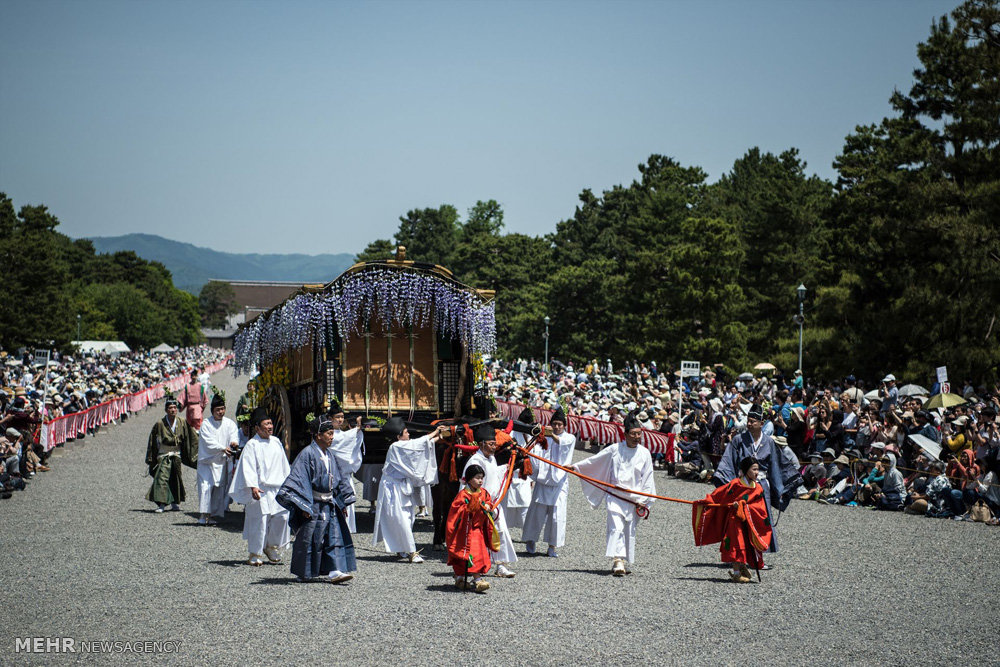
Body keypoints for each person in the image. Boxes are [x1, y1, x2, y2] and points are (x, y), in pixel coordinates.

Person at [572, 411, 655, 576]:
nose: (637, 437)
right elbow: (595, 461)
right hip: (615, 496)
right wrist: (576, 467)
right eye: (633, 434)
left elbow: (648, 479)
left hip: (634, 498)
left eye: (639, 434)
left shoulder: (644, 453)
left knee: (628, 529)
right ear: (625, 435)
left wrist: (643, 500)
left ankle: (622, 558)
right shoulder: (615, 449)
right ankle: (618, 560)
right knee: (616, 527)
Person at [276, 413, 357, 583]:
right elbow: (298, 480)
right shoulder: (307, 454)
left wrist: (341, 503)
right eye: (329, 434)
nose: (332, 437)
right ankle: (303, 572)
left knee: (333, 536)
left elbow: (339, 479)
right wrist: (303, 506)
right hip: (312, 504)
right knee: (309, 539)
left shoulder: (330, 455)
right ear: (318, 435)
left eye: (333, 433)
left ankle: (335, 570)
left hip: (330, 503)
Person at [712, 405, 788, 566]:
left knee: (760, 521)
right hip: (743, 487)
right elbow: (728, 461)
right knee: (741, 520)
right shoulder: (739, 440)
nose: (749, 424)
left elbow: (775, 467)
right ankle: (741, 557)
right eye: (748, 421)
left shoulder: (769, 442)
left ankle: (759, 558)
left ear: (762, 423)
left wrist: (780, 489)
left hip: (761, 487)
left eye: (753, 421)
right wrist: (727, 484)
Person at [371, 418, 447, 563]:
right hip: (392, 489)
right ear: (398, 437)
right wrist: (435, 431)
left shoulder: (402, 446)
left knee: (408, 518)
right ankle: (412, 552)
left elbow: (421, 446)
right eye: (406, 433)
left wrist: (439, 437)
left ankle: (400, 549)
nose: (409, 435)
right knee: (401, 520)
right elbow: (417, 444)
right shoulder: (395, 447)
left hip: (401, 487)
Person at [693, 456, 772, 583]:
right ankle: (736, 573)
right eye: (754, 469)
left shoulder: (758, 488)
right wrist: (706, 502)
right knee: (737, 543)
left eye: (758, 470)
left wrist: (743, 506)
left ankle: (741, 566)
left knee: (747, 544)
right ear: (746, 470)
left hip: (749, 522)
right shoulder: (735, 484)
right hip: (735, 520)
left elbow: (760, 507)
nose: (756, 473)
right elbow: (720, 494)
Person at [229, 407, 291, 566]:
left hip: (277, 488)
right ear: (257, 427)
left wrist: (289, 484)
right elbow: (247, 467)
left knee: (282, 517)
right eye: (266, 424)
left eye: (271, 423)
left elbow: (284, 465)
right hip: (260, 489)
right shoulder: (252, 445)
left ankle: (271, 546)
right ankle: (255, 552)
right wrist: (253, 486)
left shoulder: (276, 442)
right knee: (260, 520)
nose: (270, 426)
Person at [462, 422, 518, 578]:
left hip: (493, 504)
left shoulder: (491, 458)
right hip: (480, 505)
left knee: (500, 533)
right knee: (480, 537)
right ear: (481, 444)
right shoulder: (475, 461)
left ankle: (501, 565)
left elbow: (493, 475)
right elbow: (469, 485)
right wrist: (480, 503)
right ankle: (476, 567)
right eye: (491, 444)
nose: (494, 447)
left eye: (495, 444)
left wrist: (506, 468)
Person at [522, 407, 576, 557]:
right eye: (555, 424)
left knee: (557, 515)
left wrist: (549, 432)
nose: (557, 427)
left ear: (564, 426)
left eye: (560, 424)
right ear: (551, 424)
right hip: (543, 479)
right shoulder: (544, 437)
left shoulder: (569, 438)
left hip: (559, 482)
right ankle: (531, 539)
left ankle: (552, 546)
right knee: (536, 513)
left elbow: (561, 443)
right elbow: (534, 451)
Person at [145, 393, 198, 513]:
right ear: (166, 410)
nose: (173, 410)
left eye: (174, 408)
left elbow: (191, 437)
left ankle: (174, 502)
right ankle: (162, 504)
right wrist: (152, 457)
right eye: (170, 408)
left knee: (176, 478)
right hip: (164, 453)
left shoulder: (182, 422)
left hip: (176, 453)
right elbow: (153, 441)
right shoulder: (160, 423)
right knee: (162, 478)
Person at [446, 463, 494, 593]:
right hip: (465, 530)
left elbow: (488, 501)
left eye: (482, 478)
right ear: (469, 479)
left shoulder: (483, 493)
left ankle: (469, 578)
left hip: (477, 530)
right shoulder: (463, 495)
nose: (480, 481)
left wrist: (488, 506)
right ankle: (468, 578)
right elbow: (456, 510)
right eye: (477, 478)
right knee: (467, 553)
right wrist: (467, 509)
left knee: (479, 553)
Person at [196, 387, 240, 525]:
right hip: (207, 462)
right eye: (217, 410)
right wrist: (222, 448)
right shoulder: (206, 424)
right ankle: (203, 515)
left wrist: (234, 443)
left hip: (221, 461)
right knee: (205, 487)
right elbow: (208, 442)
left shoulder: (230, 423)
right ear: (212, 411)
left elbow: (234, 435)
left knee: (218, 488)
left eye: (222, 409)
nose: (221, 412)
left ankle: (212, 514)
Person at [326, 398, 364, 533]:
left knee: (346, 509)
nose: (340, 420)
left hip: (345, 477)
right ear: (330, 419)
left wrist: (357, 430)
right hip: (330, 477)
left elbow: (348, 441)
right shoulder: (329, 435)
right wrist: (357, 430)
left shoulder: (343, 434)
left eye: (342, 417)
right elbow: (344, 440)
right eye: (337, 417)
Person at [504, 407, 536, 529]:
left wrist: (532, 478)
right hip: (511, 472)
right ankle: (505, 533)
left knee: (525, 505)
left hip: (525, 474)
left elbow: (534, 458)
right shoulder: (511, 433)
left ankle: (527, 533)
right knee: (508, 506)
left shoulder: (531, 435)